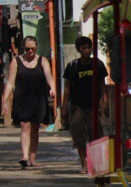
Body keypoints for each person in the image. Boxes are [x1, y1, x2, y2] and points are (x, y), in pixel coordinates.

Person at [2, 36, 56, 168]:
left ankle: (32, 158)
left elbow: (49, 76)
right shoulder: (16, 61)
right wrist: (4, 101)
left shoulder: (42, 61)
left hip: (38, 99)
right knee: (24, 126)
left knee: (35, 128)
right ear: (23, 48)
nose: (30, 51)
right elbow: (10, 82)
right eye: (27, 49)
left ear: (36, 48)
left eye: (32, 48)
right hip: (22, 98)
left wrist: (53, 87)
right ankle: (25, 157)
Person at [61, 36, 108, 172]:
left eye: (89, 47)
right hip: (77, 105)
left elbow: (102, 86)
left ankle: (95, 161)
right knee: (78, 130)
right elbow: (67, 88)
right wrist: (64, 108)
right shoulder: (73, 66)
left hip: (94, 105)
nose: (87, 51)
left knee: (95, 132)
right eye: (84, 48)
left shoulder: (98, 64)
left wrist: (105, 104)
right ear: (78, 49)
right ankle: (84, 162)